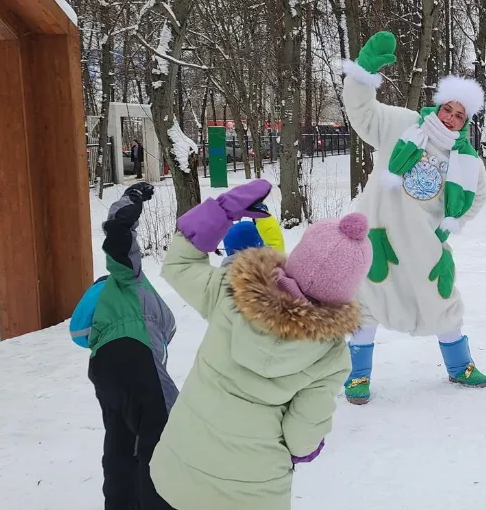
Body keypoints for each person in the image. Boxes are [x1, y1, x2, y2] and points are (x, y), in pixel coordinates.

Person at [149, 179, 372, 510]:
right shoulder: (331, 355)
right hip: (255, 490)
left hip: (180, 468)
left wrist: (218, 212)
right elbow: (301, 436)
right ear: (348, 289)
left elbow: (178, 266)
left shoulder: (233, 291)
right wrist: (308, 448)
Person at [339, 31, 486, 405]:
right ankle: (358, 376)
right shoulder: (403, 125)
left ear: (465, 121)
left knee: (440, 299)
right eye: (449, 109)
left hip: (424, 244)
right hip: (380, 235)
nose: (453, 118)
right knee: (367, 301)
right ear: (438, 106)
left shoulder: (465, 159)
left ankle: (460, 367)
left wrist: (446, 227)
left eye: (460, 115)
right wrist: (363, 74)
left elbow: (479, 196)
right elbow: (363, 113)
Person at [76, 181, 177, 510]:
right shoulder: (125, 282)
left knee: (122, 443)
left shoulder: (102, 331)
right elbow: (119, 237)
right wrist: (131, 198)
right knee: (163, 440)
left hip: (106, 372)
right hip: (136, 356)